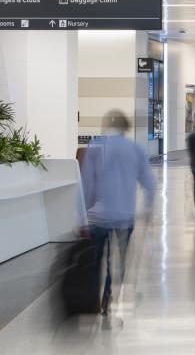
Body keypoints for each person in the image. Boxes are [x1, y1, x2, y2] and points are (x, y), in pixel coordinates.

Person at [80, 110, 156, 315]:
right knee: (119, 260)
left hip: (98, 217)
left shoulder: (95, 146)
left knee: (96, 260)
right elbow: (150, 183)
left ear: (105, 125)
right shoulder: (135, 148)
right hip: (125, 216)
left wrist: (82, 216)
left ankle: (94, 299)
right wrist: (148, 209)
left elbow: (87, 185)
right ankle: (109, 294)